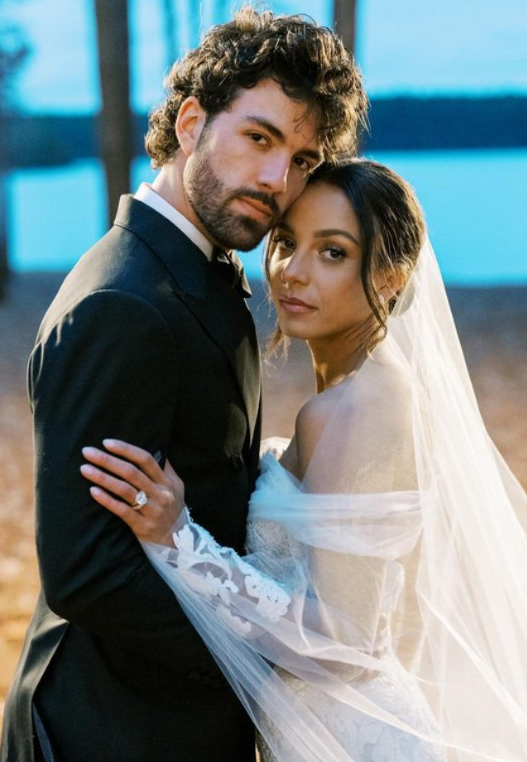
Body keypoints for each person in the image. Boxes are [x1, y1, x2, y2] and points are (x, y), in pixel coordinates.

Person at [0, 9, 367, 762]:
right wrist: (262, 666)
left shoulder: (194, 272)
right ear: (192, 122)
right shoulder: (123, 304)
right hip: (110, 728)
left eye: (300, 159)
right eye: (259, 138)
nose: (276, 180)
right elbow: (87, 571)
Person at [82, 159, 527, 761]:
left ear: (391, 277)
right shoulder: (362, 389)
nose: (292, 271)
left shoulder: (358, 405)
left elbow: (340, 639)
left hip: (345, 736)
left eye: (333, 252)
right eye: (288, 242)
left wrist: (178, 538)